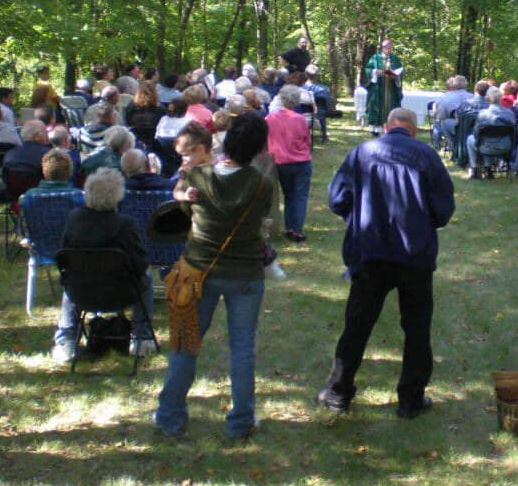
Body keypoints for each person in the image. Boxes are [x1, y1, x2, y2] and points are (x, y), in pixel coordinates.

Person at [316, 108, 455, 418]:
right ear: (414, 130)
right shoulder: (426, 156)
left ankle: (338, 393)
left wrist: (360, 216)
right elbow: (444, 208)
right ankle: (411, 400)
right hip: (414, 255)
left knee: (357, 325)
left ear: (386, 126)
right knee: (417, 327)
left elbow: (337, 198)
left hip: (370, 252)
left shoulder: (362, 153)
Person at [153, 113, 274, 439]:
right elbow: (265, 219)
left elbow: (184, 211)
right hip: (245, 274)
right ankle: (241, 421)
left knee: (185, 344)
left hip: (198, 269)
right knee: (242, 348)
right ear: (260, 146)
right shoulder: (262, 184)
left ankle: (170, 417)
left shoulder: (199, 176)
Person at [51, 168, 155, 363]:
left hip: (82, 291)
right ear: (118, 194)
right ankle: (142, 337)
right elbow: (140, 264)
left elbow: (64, 258)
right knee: (147, 277)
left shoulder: (74, 219)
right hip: (122, 291)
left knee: (70, 285)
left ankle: (66, 340)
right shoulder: (125, 224)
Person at [266, 85, 313, 242]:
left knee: (289, 196)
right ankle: (297, 230)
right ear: (296, 100)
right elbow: (307, 141)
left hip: (281, 162)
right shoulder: (300, 119)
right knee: (300, 196)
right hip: (301, 162)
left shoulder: (270, 119)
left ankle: (289, 228)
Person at [465, 86, 516, 179]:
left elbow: (477, 134)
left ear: (487, 99)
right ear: (501, 98)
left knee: (471, 139)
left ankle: (474, 167)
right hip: (505, 146)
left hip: (486, 146)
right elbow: (513, 131)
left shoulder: (483, 114)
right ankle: (487, 168)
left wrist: (478, 141)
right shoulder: (510, 113)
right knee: (487, 141)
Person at [365, 39, 403, 136]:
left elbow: (399, 72)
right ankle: (376, 129)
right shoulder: (375, 58)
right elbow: (368, 69)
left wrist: (396, 77)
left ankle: (391, 129)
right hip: (378, 89)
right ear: (382, 48)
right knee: (377, 107)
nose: (388, 50)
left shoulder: (395, 59)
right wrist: (375, 72)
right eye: (386, 48)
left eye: (390, 48)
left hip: (391, 90)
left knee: (392, 108)